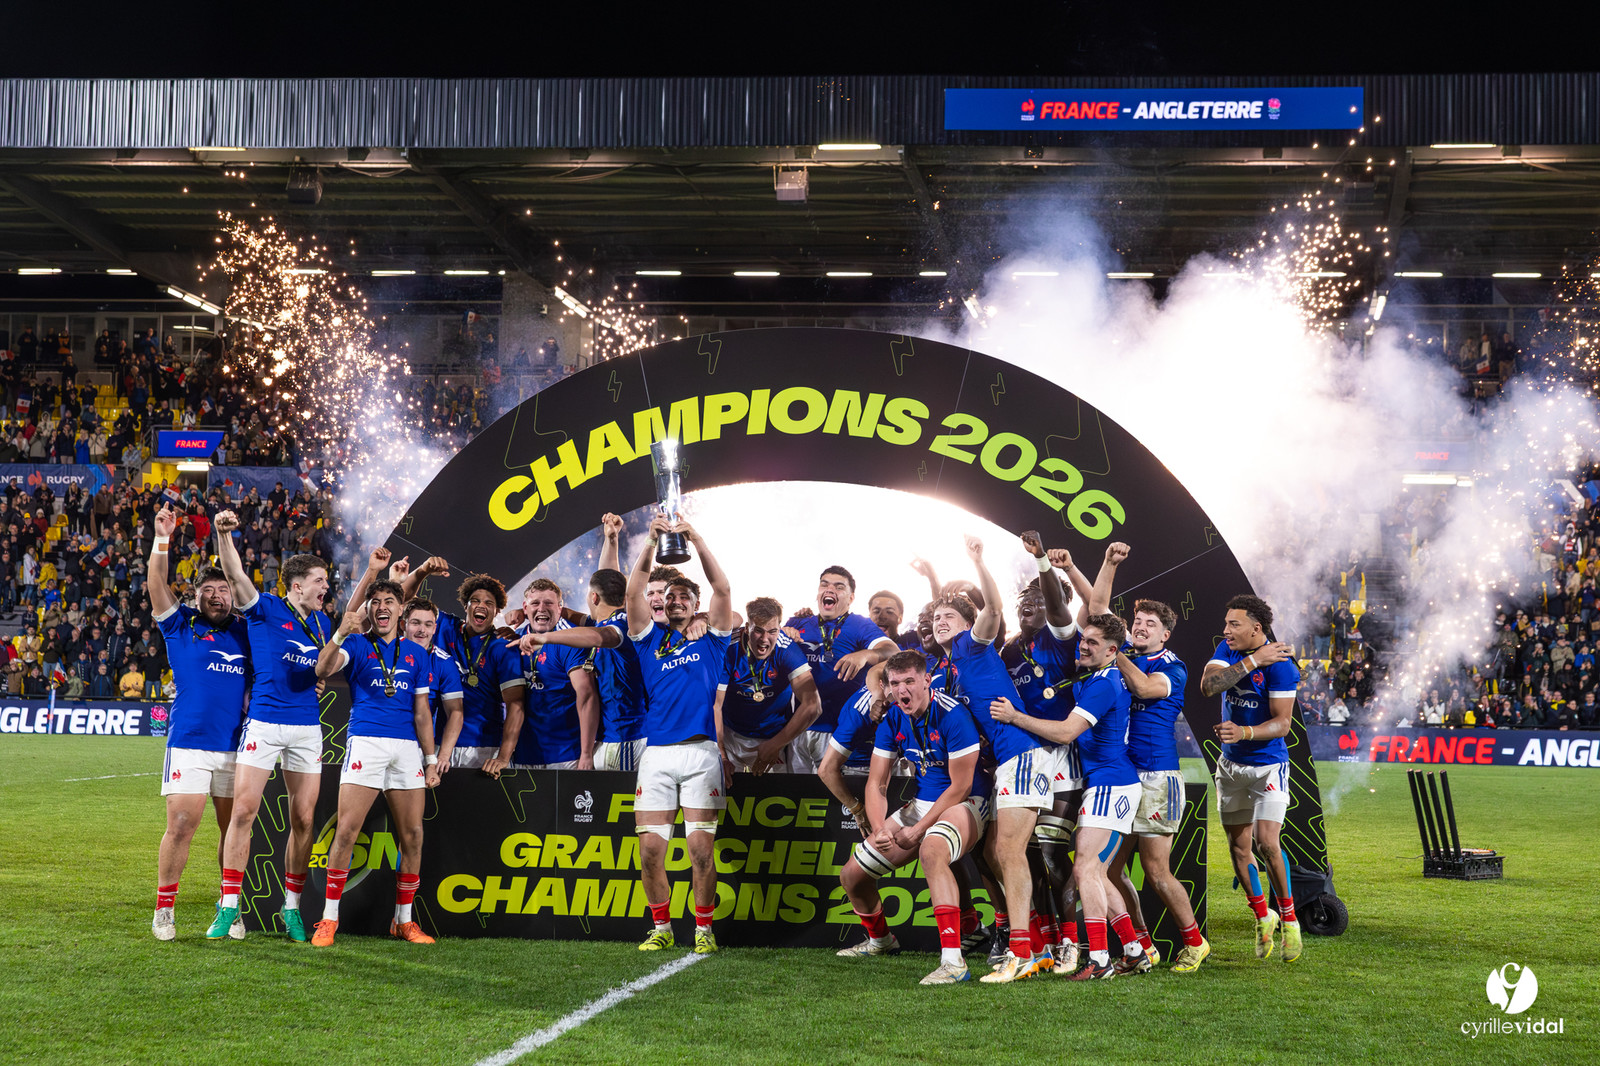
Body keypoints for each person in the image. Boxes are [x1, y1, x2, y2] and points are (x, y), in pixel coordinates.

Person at [210, 508, 356, 943]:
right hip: (265, 724)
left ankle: (291, 907)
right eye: (319, 581)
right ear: (296, 586)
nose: (326, 587)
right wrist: (224, 535)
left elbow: (321, 669)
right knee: (243, 811)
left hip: (307, 729)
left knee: (305, 819)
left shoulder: (323, 622)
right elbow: (234, 575)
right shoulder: (266, 608)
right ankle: (229, 904)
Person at [993, 613, 1141, 980]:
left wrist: (1015, 717)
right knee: (1098, 873)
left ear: (1112, 651)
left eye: (1093, 642)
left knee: (1084, 868)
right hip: (1107, 782)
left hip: (1110, 783)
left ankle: (1100, 959)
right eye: (1083, 639)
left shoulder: (1104, 684)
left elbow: (1065, 733)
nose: (1083, 645)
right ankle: (1135, 950)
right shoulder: (1095, 678)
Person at [940, 535, 1059, 983]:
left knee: (1009, 851)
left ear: (968, 623)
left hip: (1023, 755)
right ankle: (1037, 946)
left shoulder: (974, 646)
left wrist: (977, 560)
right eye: (935, 616)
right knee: (996, 851)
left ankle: (1022, 952)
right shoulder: (953, 664)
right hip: (1009, 762)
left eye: (949, 616)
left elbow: (990, 608)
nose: (939, 621)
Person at [835, 650, 990, 984]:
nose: (902, 690)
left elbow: (961, 786)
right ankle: (882, 941)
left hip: (966, 802)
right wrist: (878, 829)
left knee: (931, 851)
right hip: (924, 803)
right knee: (851, 876)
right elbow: (877, 783)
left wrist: (920, 829)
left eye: (909, 681)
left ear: (926, 680)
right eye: (894, 683)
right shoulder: (892, 718)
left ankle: (953, 963)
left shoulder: (952, 714)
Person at [310, 579, 441, 947]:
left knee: (413, 836)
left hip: (405, 748)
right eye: (376, 602)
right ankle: (328, 918)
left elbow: (422, 715)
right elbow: (322, 669)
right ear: (369, 609)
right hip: (366, 741)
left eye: (390, 601)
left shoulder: (417, 654)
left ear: (401, 610)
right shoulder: (355, 643)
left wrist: (430, 761)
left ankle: (403, 921)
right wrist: (340, 632)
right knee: (347, 832)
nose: (382, 607)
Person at [626, 517, 733, 953]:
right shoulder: (647, 640)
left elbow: (723, 589)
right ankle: (662, 928)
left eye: (685, 597)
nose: (676, 601)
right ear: (663, 605)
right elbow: (634, 591)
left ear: (695, 606)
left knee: (701, 852)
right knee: (650, 852)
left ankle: (704, 931)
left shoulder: (713, 640)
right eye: (669, 596)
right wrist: (651, 542)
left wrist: (697, 539)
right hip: (657, 756)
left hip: (701, 754)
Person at [147, 504, 249, 941]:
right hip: (188, 742)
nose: (216, 596)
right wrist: (163, 537)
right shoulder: (180, 627)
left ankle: (230, 907)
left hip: (237, 746)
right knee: (183, 825)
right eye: (208, 589)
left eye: (223, 589)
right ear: (196, 595)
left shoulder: (248, 630)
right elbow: (155, 582)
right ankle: (164, 909)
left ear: (233, 593)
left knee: (233, 829)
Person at [1200, 594, 1303, 963]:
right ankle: (1263, 916)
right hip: (1230, 767)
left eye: (1234, 624)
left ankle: (1289, 920)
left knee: (1265, 842)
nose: (1226, 630)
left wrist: (1243, 733)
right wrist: (1253, 660)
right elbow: (1209, 686)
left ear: (1256, 628)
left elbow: (1282, 724)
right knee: (1239, 847)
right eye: (1227, 624)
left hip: (1267, 766)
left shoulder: (1282, 667)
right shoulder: (1230, 651)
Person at [1109, 598, 1210, 973]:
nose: (1141, 626)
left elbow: (1145, 690)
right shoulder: (1124, 658)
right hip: (1124, 778)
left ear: (1165, 634)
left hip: (1157, 779)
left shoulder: (1173, 666)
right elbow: (1099, 607)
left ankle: (1195, 943)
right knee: (1109, 870)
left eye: (1150, 623)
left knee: (1155, 871)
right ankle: (1143, 945)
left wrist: (1115, 651)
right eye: (1137, 620)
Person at [401, 558, 528, 773]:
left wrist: (503, 757)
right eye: (475, 600)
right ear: (466, 605)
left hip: (485, 748)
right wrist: (422, 571)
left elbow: (516, 706)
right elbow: (403, 603)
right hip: (440, 746)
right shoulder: (445, 627)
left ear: (496, 611)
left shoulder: (504, 648)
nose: (481, 606)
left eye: (489, 603)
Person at [785, 566, 898, 772]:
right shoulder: (797, 622)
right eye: (824, 584)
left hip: (838, 732)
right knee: (797, 796)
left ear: (851, 598)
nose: (830, 590)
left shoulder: (859, 624)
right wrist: (782, 634)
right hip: (797, 730)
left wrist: (865, 655)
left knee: (831, 797)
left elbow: (893, 651)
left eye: (839, 587)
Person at [715, 597, 820, 773]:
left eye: (772, 631)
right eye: (758, 631)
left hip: (775, 736)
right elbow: (715, 705)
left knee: (779, 796)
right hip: (731, 736)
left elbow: (813, 705)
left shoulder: (787, 649)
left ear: (780, 628)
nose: (764, 639)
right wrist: (722, 756)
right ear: (747, 627)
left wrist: (775, 744)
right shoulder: (728, 648)